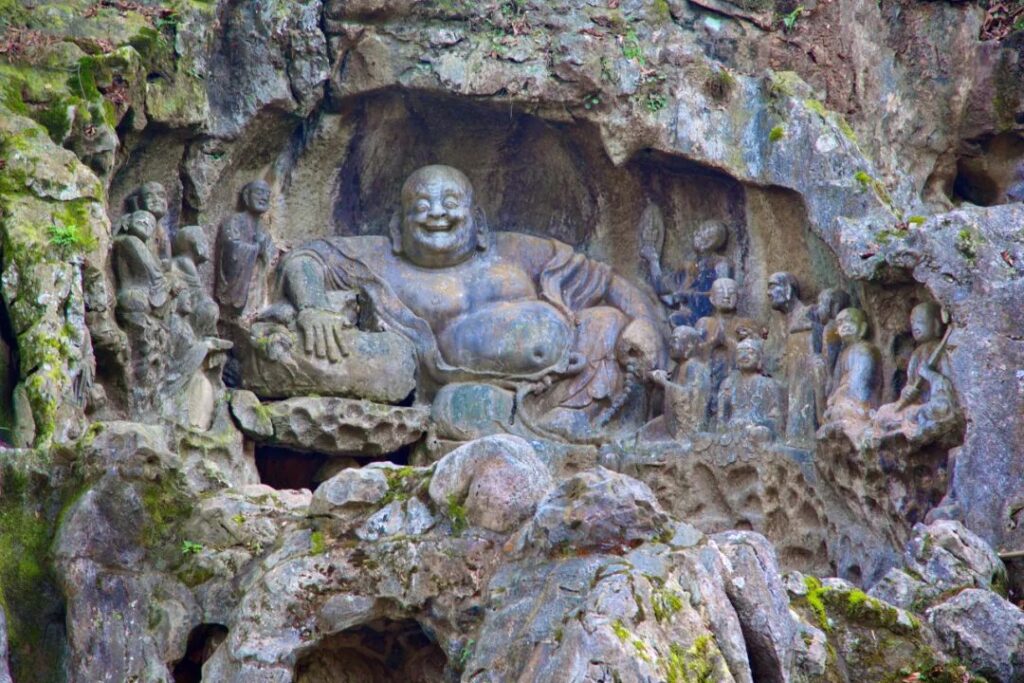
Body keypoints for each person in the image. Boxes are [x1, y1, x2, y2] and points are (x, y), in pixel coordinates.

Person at [272, 165, 666, 440]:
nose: (438, 214)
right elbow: (305, 258)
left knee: (608, 323)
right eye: (422, 206)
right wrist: (313, 308)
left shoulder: (516, 251)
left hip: (577, 372)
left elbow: (610, 281)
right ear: (397, 226)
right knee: (459, 409)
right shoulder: (381, 261)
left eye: (450, 202)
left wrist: (643, 322)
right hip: (478, 392)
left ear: (477, 219)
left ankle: (582, 425)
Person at [216, 180, 275, 315]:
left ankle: (255, 310)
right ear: (246, 196)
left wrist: (265, 253)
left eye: (267, 194)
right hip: (239, 284)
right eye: (259, 192)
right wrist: (256, 249)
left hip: (257, 285)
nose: (264, 198)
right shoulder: (234, 221)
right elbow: (230, 248)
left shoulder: (264, 229)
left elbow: (271, 259)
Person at [717, 337, 785, 442]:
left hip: (757, 430)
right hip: (733, 430)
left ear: (759, 359)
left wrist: (758, 425)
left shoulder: (768, 384)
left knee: (761, 434)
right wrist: (724, 426)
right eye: (740, 352)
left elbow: (775, 416)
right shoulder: (728, 383)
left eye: (750, 352)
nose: (744, 356)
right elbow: (722, 417)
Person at [650, 325, 712, 437]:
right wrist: (660, 385)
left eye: (675, 341)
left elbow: (691, 398)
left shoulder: (696, 368)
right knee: (642, 435)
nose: (670, 345)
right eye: (671, 341)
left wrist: (664, 383)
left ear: (689, 346)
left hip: (688, 427)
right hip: (672, 421)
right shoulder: (677, 369)